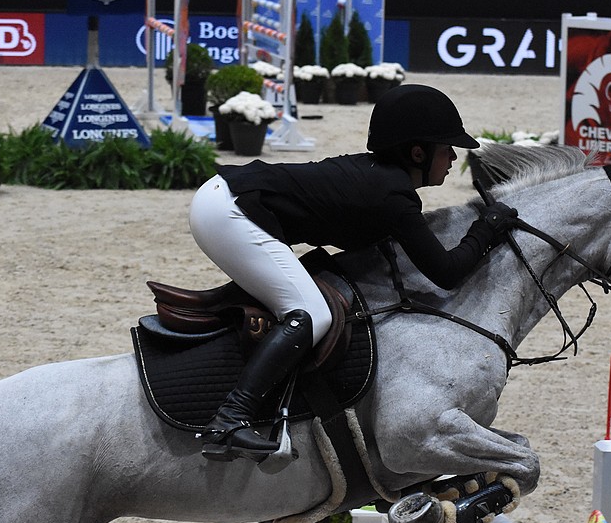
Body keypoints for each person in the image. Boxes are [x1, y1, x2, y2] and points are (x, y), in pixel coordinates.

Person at [188, 84, 518, 463]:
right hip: (228, 212)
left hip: (225, 199)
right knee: (312, 313)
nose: (453, 156)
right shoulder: (394, 195)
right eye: (446, 149)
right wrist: (486, 228)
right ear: (417, 152)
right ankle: (230, 420)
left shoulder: (381, 179)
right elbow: (445, 272)